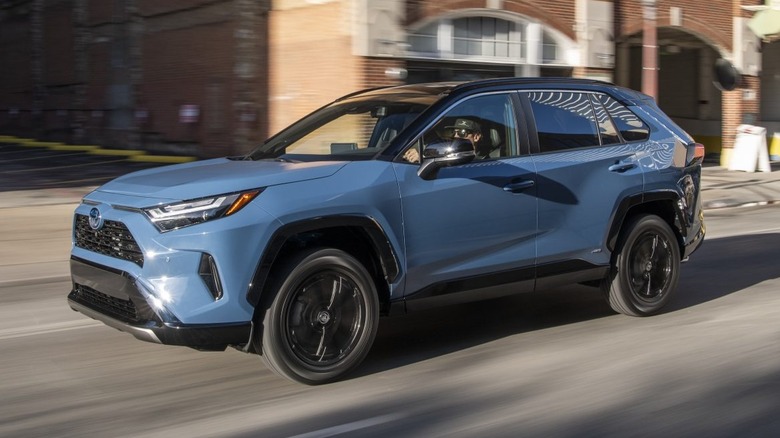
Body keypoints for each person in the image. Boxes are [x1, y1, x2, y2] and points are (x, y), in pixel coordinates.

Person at [403, 117, 482, 163]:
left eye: (462, 133)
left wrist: (423, 157)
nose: (455, 136)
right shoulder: (449, 151)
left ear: (476, 137)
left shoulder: (482, 162)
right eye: (453, 132)